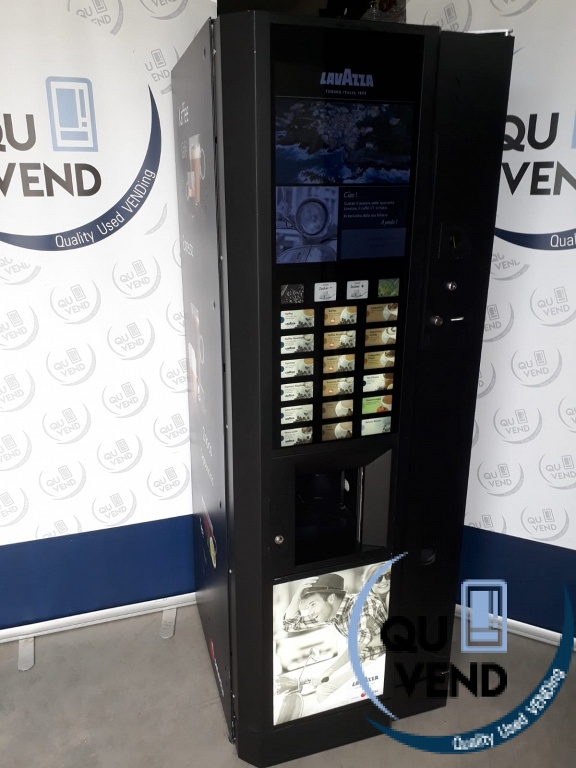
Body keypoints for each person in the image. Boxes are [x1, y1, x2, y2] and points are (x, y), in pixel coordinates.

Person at [282, 572, 387, 703]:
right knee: (326, 690)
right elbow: (289, 625)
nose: (310, 612)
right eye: (308, 606)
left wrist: (327, 672)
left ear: (331, 598)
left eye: (313, 604)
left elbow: (359, 644)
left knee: (325, 691)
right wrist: (297, 596)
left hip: (382, 662)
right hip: (366, 665)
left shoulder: (361, 603)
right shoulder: (334, 616)